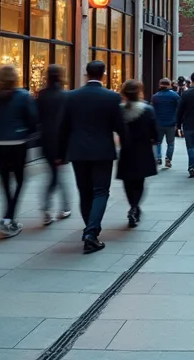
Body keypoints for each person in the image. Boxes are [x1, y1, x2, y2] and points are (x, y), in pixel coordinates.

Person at [58, 60, 126, 254]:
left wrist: (60, 153)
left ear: (86, 73)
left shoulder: (71, 97)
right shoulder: (112, 98)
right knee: (101, 191)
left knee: (84, 192)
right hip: (102, 151)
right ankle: (91, 233)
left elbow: (63, 127)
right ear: (103, 74)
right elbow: (120, 126)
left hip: (78, 152)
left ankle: (90, 229)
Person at [0, 65, 38, 238]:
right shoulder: (23, 95)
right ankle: (9, 216)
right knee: (20, 180)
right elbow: (32, 119)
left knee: (5, 180)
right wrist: (29, 133)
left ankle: (8, 216)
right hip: (18, 142)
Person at [118, 80, 160, 227]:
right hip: (143, 150)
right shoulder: (147, 110)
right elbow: (155, 133)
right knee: (139, 181)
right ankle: (134, 206)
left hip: (126, 151)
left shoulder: (120, 110)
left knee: (128, 181)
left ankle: (133, 205)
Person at [36, 64, 71, 225]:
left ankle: (56, 207)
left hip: (46, 141)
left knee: (55, 175)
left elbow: (36, 118)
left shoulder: (41, 95)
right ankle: (51, 208)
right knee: (56, 177)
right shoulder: (64, 96)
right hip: (60, 142)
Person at [150, 78, 180, 170]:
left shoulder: (155, 96)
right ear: (170, 85)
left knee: (158, 142)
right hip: (171, 123)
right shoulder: (175, 96)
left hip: (158, 123)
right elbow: (179, 108)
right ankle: (168, 159)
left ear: (160, 85)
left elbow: (152, 110)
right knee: (170, 143)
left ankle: (158, 158)